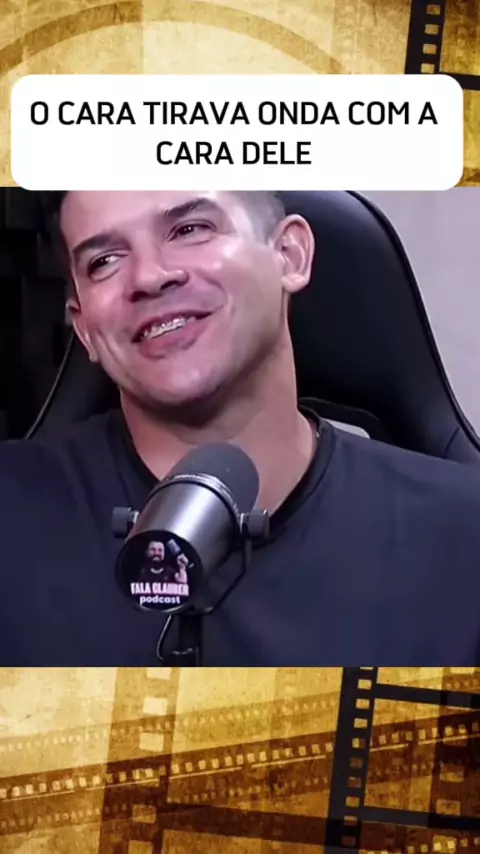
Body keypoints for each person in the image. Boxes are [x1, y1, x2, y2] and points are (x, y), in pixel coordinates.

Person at [1, 189, 480, 666]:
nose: (148, 276)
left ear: (289, 255)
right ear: (85, 328)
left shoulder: (463, 535)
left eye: (190, 229)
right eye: (104, 261)